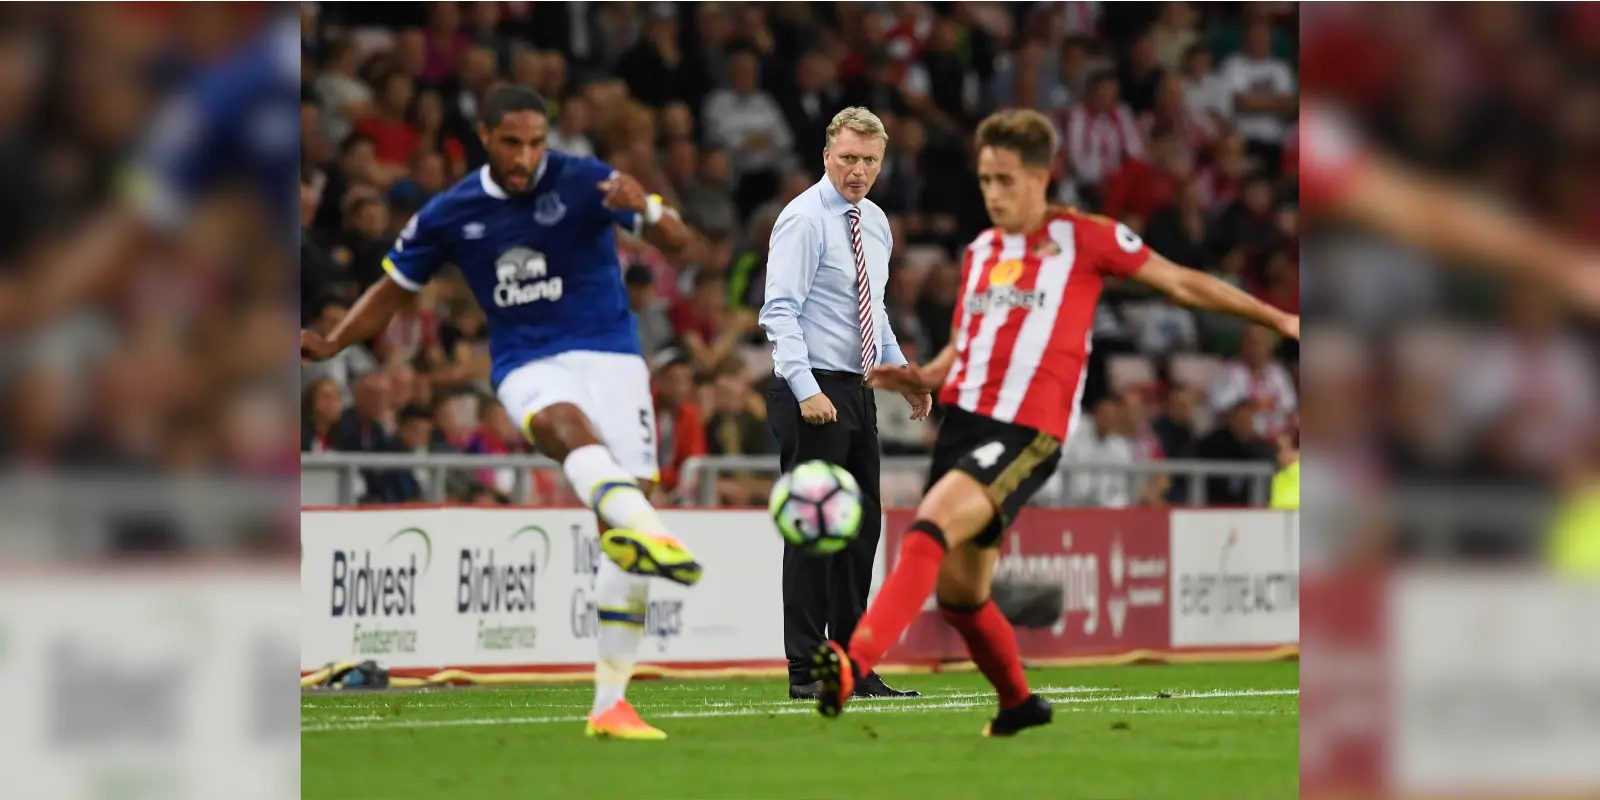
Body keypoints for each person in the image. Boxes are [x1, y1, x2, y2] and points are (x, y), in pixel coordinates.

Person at [830, 108, 1299, 735]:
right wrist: (920, 377)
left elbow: (1180, 283)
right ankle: (1019, 704)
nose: (993, 194)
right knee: (962, 598)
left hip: (1026, 429)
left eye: (1005, 179)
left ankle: (851, 664)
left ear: (1040, 178)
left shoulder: (1084, 238)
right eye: (985, 180)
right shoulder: (981, 252)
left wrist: (1278, 318)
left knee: (928, 528)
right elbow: (962, 349)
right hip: (964, 426)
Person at [300, 85, 698, 741]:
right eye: (512, 143)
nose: (525, 157)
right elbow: (392, 289)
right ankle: (647, 525)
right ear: (485, 137)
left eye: (536, 143)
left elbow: (679, 241)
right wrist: (336, 339)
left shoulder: (585, 180)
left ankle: (610, 705)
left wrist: (648, 206)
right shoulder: (450, 212)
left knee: (619, 533)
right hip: (527, 361)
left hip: (613, 357)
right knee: (567, 430)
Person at [760, 107, 927, 701]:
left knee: (861, 535)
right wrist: (805, 388)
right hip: (812, 389)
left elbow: (874, 309)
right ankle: (806, 667)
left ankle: (855, 663)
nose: (859, 171)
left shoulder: (875, 222)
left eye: (870, 161)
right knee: (815, 532)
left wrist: (903, 373)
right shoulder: (804, 219)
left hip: (859, 390)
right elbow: (779, 310)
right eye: (849, 158)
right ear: (826, 156)